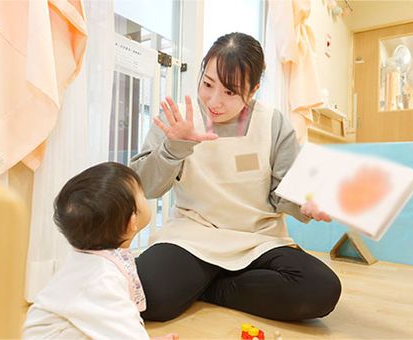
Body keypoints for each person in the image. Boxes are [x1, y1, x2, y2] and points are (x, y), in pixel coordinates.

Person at [130, 32, 341, 322]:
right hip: (193, 236)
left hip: (257, 240)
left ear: (252, 91)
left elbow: (286, 191)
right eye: (207, 84)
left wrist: (308, 201)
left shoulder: (272, 122)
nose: (214, 101)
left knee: (320, 289)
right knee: (147, 296)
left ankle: (210, 289)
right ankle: (205, 283)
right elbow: (146, 187)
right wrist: (174, 147)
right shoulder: (179, 118)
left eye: (230, 92)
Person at [22, 162, 178, 340]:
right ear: (131, 222)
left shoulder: (95, 257)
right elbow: (117, 318)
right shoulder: (102, 278)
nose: (145, 197)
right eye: (141, 194)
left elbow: (117, 320)